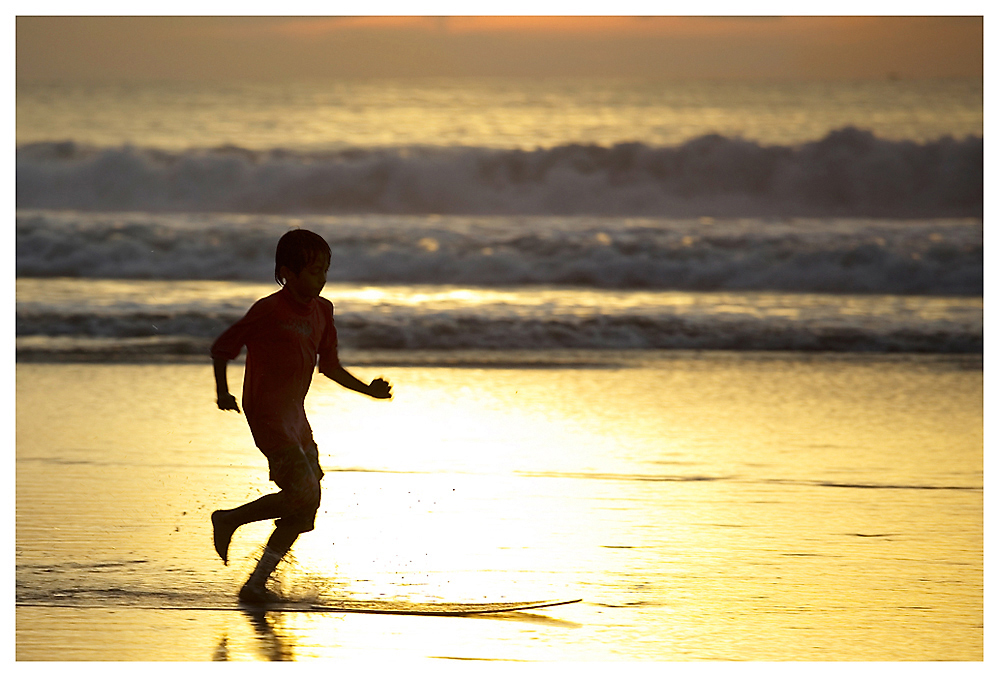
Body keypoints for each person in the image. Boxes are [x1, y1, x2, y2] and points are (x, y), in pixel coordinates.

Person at [210, 228, 392, 603]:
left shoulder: (323, 311)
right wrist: (223, 391)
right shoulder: (269, 309)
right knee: (302, 491)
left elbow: (331, 367)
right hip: (268, 414)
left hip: (296, 418)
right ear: (287, 273)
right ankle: (228, 519)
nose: (321, 279)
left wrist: (368, 391)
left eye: (325, 270)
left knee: (307, 506)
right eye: (313, 271)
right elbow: (223, 346)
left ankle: (256, 583)